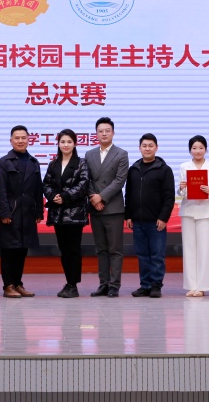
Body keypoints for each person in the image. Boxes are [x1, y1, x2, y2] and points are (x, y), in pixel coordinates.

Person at [0, 125, 45, 298]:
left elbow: (38, 189)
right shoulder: (4, 162)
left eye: (23, 138)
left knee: (22, 249)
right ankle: (8, 285)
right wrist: (4, 213)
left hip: (28, 212)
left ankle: (18, 283)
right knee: (9, 250)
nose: (20, 141)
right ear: (11, 141)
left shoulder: (33, 162)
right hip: (11, 212)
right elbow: (0, 190)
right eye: (17, 138)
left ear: (29, 140)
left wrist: (39, 212)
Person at [125, 133, 175, 298]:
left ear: (156, 148)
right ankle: (145, 285)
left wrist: (163, 217)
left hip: (156, 221)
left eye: (150, 146)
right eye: (144, 146)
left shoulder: (164, 170)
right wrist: (128, 215)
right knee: (142, 255)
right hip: (137, 221)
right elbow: (129, 194)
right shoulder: (133, 169)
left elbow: (169, 197)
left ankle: (156, 285)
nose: (147, 149)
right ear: (139, 148)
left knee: (156, 255)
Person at [43, 129, 90, 298]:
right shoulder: (53, 164)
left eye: (69, 142)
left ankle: (73, 284)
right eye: (62, 142)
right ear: (58, 144)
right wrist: (52, 196)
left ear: (75, 144)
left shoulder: (81, 163)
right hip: (58, 214)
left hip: (75, 214)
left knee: (73, 250)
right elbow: (46, 184)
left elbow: (83, 185)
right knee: (64, 250)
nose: (66, 145)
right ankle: (69, 282)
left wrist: (64, 196)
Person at [84, 117, 129, 298]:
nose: (104, 134)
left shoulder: (121, 154)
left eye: (107, 131)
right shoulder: (89, 154)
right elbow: (86, 179)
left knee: (115, 249)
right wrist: (93, 198)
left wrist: (101, 197)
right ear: (96, 134)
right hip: (95, 208)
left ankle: (114, 285)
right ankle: (103, 283)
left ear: (113, 133)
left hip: (114, 209)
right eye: (100, 131)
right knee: (101, 249)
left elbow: (120, 180)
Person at [178, 135, 209, 297]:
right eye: (194, 148)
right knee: (189, 249)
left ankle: (202, 286)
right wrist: (181, 188)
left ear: (206, 149)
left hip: (205, 211)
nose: (198, 151)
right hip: (188, 210)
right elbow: (181, 192)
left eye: (201, 148)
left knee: (204, 249)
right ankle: (191, 285)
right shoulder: (184, 166)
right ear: (190, 150)